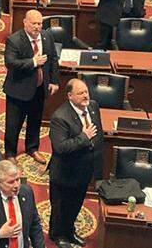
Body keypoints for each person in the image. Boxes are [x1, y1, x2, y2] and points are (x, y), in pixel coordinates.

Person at [48, 79, 104, 248]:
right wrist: (84, 137)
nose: (85, 95)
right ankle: (57, 235)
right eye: (81, 93)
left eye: (86, 91)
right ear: (70, 96)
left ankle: (69, 231)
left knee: (76, 204)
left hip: (85, 169)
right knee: (60, 207)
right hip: (65, 172)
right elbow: (60, 147)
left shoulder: (93, 106)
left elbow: (99, 134)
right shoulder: (60, 117)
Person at [4, 9, 59, 159]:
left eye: (40, 23)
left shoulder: (47, 36)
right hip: (18, 89)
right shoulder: (14, 40)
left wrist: (54, 81)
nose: (37, 27)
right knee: (13, 124)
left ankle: (32, 148)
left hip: (39, 88)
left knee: (35, 121)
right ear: (25, 22)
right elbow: (10, 63)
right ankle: (10, 153)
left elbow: (53, 58)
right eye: (34, 23)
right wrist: (34, 62)